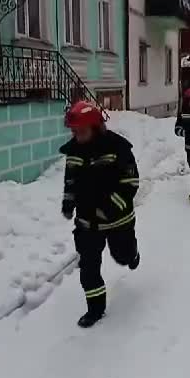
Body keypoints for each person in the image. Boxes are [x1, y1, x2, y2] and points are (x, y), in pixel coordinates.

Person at [60, 101, 140, 328]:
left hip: (118, 220)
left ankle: (132, 255)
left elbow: (130, 182)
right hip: (87, 222)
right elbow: (71, 181)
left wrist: (108, 209)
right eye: (74, 132)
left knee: (121, 256)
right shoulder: (74, 151)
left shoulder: (118, 148)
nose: (77, 137)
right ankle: (95, 309)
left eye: (81, 132)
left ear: (96, 127)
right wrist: (68, 203)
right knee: (88, 266)